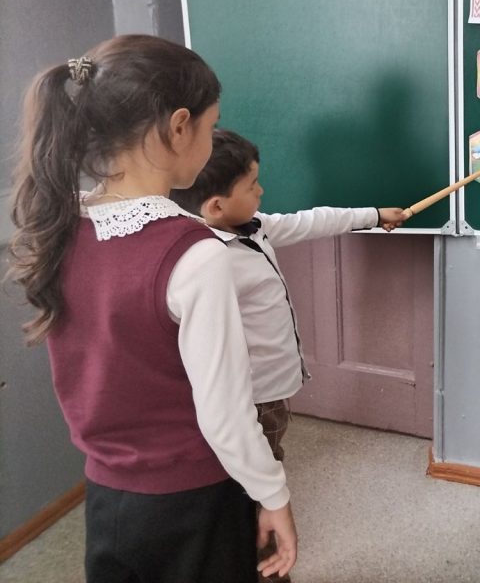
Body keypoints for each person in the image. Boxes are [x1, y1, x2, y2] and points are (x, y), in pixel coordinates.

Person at [8, 35, 297, 582]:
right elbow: (225, 416)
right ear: (180, 126)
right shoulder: (196, 254)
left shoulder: (60, 224)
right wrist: (274, 494)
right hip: (194, 499)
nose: (211, 140)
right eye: (211, 127)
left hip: (108, 493)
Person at [169, 129, 407, 579]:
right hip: (251, 400)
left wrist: (374, 215)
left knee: (261, 470)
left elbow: (311, 222)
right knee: (254, 489)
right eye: (252, 185)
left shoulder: (251, 227)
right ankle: (267, 565)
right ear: (216, 205)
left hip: (273, 391)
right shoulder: (206, 261)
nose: (262, 191)